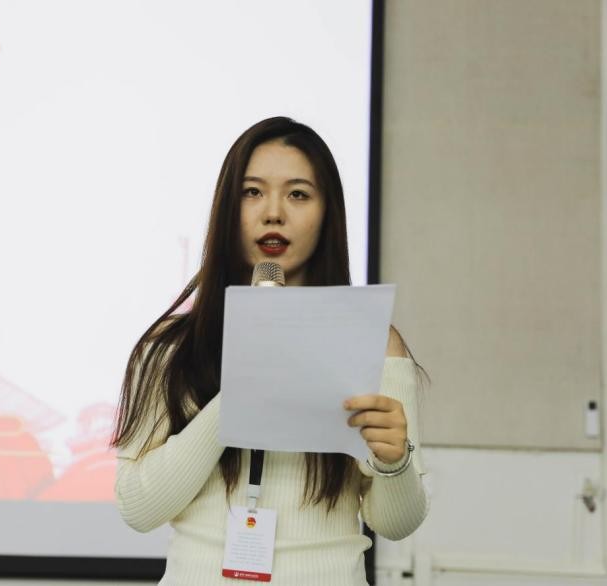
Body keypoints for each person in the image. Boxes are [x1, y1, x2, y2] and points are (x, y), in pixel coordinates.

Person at [112, 117, 429, 585]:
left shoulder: (372, 341)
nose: (273, 213)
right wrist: (243, 389)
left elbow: (397, 523)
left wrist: (394, 461)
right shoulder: (171, 348)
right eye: (252, 192)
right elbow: (139, 509)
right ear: (227, 208)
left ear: (327, 213)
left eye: (298, 194)